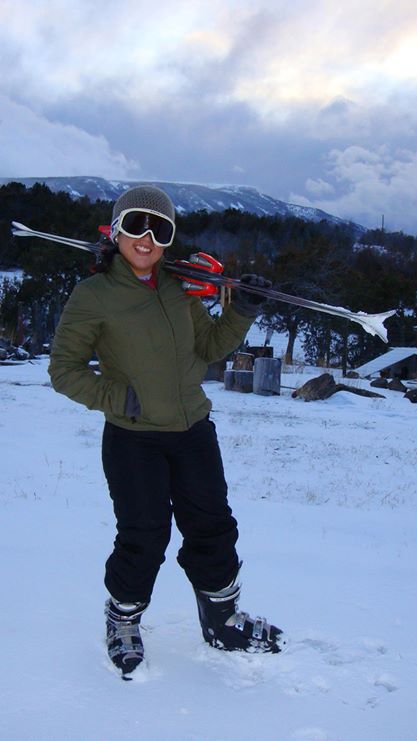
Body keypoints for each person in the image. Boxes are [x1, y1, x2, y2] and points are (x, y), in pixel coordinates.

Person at [48, 185, 286, 679]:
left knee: (213, 526)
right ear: (116, 231)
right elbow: (64, 370)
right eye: (137, 224)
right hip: (133, 437)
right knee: (144, 534)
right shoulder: (94, 295)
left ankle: (222, 619)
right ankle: (123, 619)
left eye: (160, 229)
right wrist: (117, 398)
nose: (147, 238)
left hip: (193, 429)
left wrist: (242, 309)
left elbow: (210, 347)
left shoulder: (178, 286)